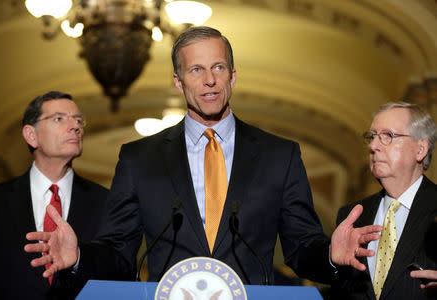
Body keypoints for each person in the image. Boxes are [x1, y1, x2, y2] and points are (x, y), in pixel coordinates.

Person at [24, 26, 381, 286]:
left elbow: (302, 250)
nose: (209, 79)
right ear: (179, 82)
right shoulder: (138, 158)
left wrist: (331, 257)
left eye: (218, 67)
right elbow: (119, 255)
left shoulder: (279, 156)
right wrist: (80, 256)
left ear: (233, 76)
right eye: (196, 70)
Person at [0, 91, 109, 300]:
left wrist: (79, 258)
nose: (75, 126)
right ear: (31, 135)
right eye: (59, 118)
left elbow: (120, 273)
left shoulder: (107, 202)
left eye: (78, 120)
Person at [333, 102, 437, 299]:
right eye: (372, 137)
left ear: (420, 149)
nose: (373, 146)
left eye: (388, 136)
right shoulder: (350, 216)